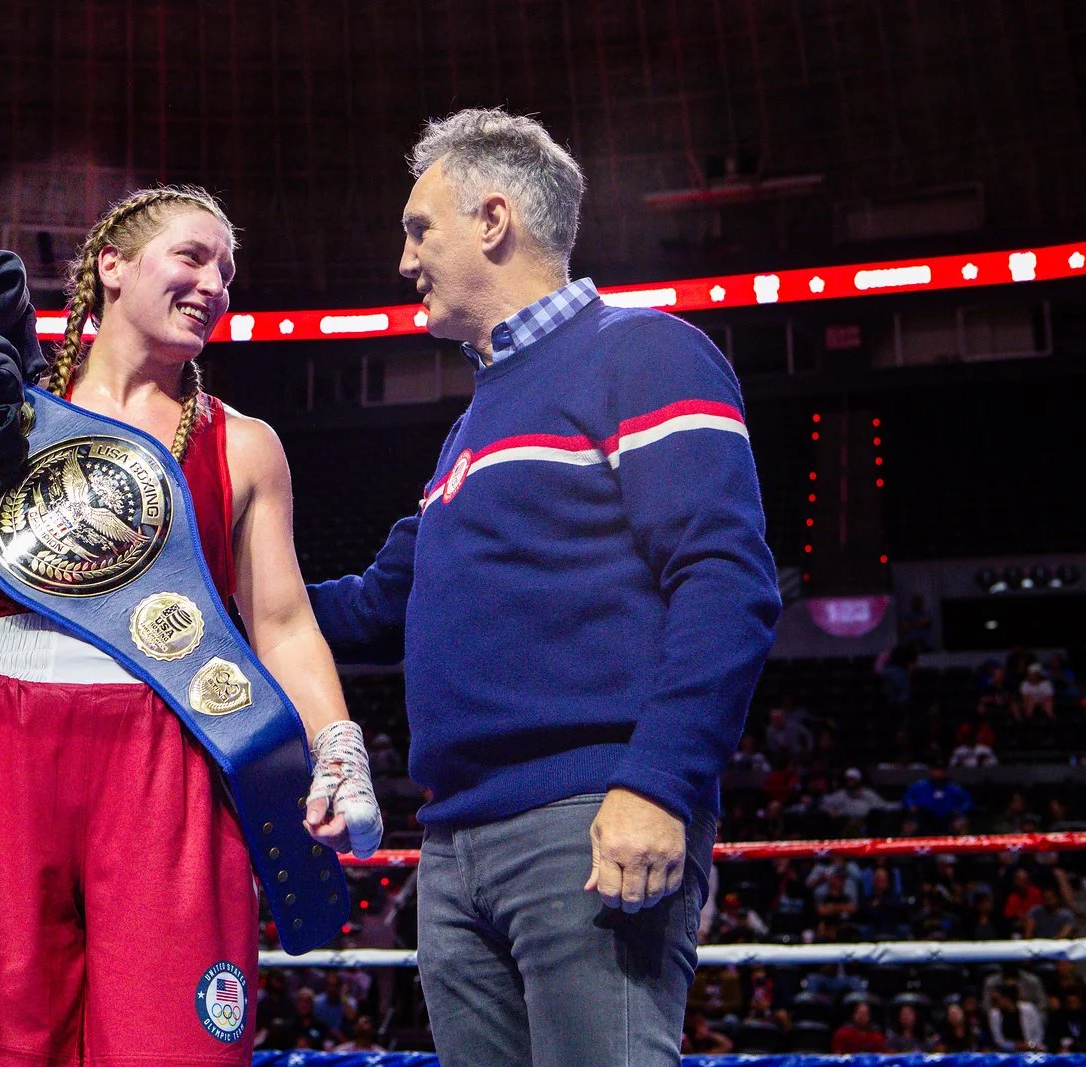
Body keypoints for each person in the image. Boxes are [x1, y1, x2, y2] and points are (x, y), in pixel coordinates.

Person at [308, 108, 781, 1065]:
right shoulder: (475, 420)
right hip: (452, 847)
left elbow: (726, 580)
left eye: (417, 228)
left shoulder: (644, 352)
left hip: (588, 819)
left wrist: (659, 781)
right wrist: (193, 598)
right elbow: (370, 606)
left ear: (492, 219)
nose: (404, 261)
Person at [0, 186, 381, 1065]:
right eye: (193, 257)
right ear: (110, 266)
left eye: (227, 270)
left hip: (176, 743)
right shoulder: (12, 412)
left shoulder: (244, 443)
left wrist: (337, 741)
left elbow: (281, 621)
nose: (214, 283)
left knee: (173, 1046)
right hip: (6, 734)